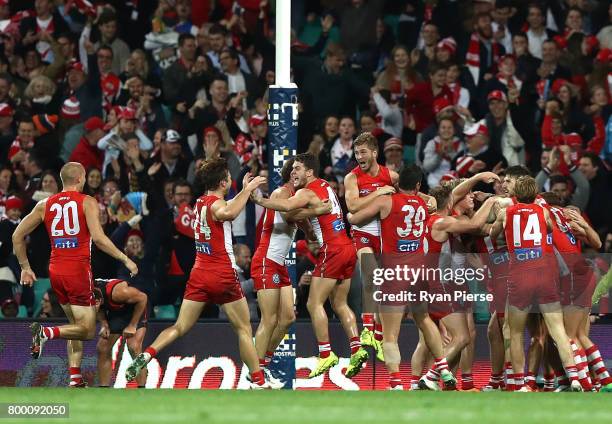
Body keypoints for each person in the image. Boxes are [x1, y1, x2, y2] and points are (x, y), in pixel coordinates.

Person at [124, 158, 270, 389]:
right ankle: (259, 381)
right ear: (223, 183)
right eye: (229, 179)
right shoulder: (216, 204)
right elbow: (228, 212)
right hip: (222, 273)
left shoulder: (201, 201)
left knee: (180, 326)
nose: (231, 181)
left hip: (199, 273)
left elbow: (224, 205)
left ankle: (147, 355)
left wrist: (241, 188)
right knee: (243, 329)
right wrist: (248, 189)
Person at [11, 162, 138, 387]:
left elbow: (17, 236)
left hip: (56, 271)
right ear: (80, 178)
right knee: (88, 331)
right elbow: (98, 239)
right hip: (77, 270)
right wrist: (125, 258)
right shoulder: (87, 202)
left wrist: (25, 267)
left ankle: (75, 379)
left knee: (74, 326)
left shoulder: (44, 204)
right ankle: (46, 332)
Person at [251, 153, 367, 379]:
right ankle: (357, 347)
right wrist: (313, 219)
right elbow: (297, 215)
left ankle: (325, 354)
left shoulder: (304, 191)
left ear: (309, 172)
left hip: (331, 250)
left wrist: (260, 200)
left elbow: (285, 207)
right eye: (292, 170)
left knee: (314, 303)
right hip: (347, 247)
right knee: (339, 304)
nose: (294, 173)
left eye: (297, 169)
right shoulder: (327, 187)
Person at [347, 165, 458, 391]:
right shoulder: (424, 205)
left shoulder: (386, 201)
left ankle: (396, 382)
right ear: (418, 186)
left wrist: (353, 212)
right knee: (425, 320)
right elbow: (432, 204)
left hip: (395, 274)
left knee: (390, 335)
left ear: (398, 184)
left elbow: (354, 218)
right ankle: (443, 369)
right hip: (418, 273)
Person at [489, 175, 581, 392]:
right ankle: (575, 378)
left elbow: (493, 235)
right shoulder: (543, 211)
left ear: (515, 194)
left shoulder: (505, 212)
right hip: (545, 274)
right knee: (557, 329)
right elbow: (549, 229)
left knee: (516, 331)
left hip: (520, 275)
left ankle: (520, 383)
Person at [251, 159, 330, 388]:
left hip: (279, 264)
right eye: (295, 173)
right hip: (266, 260)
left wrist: (311, 233)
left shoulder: (295, 197)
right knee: (270, 319)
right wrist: (318, 210)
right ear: (291, 177)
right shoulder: (281, 192)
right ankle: (255, 375)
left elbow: (298, 218)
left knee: (287, 319)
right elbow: (288, 216)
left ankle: (262, 365)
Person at [343, 133, 397, 362]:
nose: (359, 157)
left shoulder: (391, 175)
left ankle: (379, 332)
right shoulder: (351, 178)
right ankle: (367, 328)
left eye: (363, 152)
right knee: (370, 274)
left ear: (374, 152)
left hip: (384, 234)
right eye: (356, 153)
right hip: (363, 233)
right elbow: (353, 205)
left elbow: (402, 197)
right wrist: (378, 192)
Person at [94, 278, 148, 388]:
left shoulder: (119, 292)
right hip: (117, 312)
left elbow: (143, 298)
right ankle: (103, 389)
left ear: (98, 301)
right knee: (102, 347)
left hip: (136, 307)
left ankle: (142, 388)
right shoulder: (88, 294)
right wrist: (104, 324)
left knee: (133, 347)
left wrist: (132, 325)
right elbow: (98, 310)